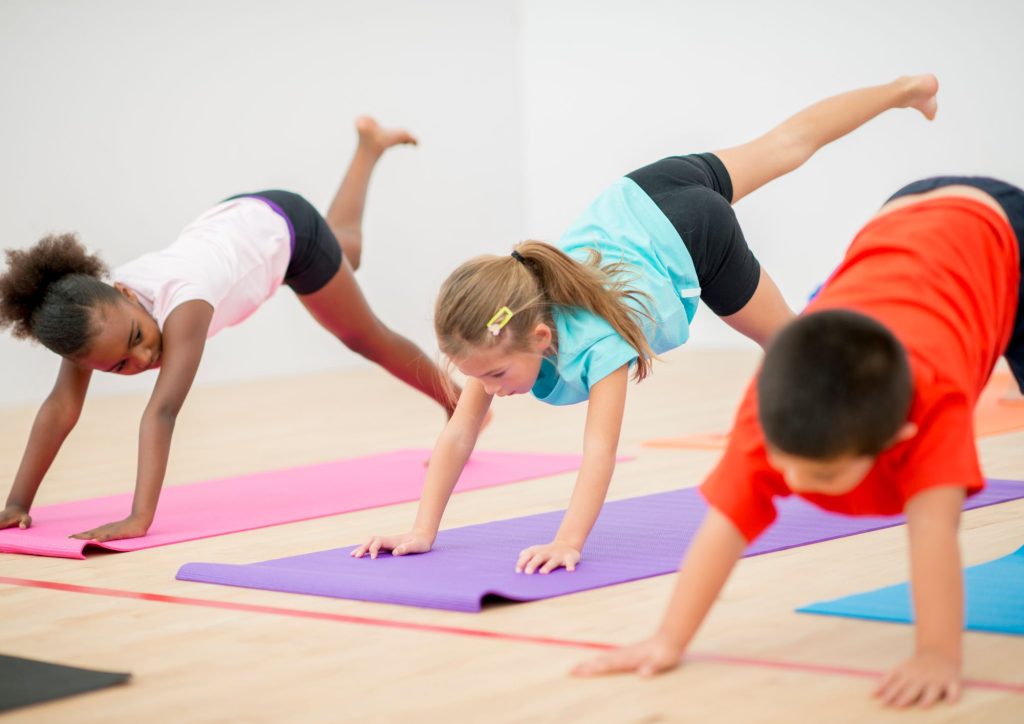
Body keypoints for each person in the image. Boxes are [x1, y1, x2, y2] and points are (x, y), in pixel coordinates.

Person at [353, 76, 940, 574]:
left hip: (693, 234)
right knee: (785, 145)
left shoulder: (595, 343)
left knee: (793, 346)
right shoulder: (497, 333)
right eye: (478, 376)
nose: (491, 388)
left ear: (539, 336)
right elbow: (459, 433)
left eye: (497, 375)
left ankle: (845, 305)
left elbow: (599, 452)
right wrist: (421, 530)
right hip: (642, 193)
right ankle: (905, 89)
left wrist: (569, 542)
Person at [573, 175, 1024, 708]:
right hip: (898, 216)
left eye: (827, 475)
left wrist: (937, 655)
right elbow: (725, 527)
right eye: (787, 467)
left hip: (1002, 234)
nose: (798, 488)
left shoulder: (933, 406)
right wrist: (667, 639)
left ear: (900, 438)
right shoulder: (774, 403)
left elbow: (934, 532)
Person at [0, 117, 459, 542]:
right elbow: (61, 405)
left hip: (286, 229)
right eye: (120, 366)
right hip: (236, 221)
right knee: (347, 252)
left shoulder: (185, 304)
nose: (142, 359)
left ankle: (457, 403)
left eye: (137, 339)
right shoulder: (90, 319)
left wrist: (139, 518)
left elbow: (161, 412)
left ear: (124, 291)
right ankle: (369, 147)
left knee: (365, 336)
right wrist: (17, 503)